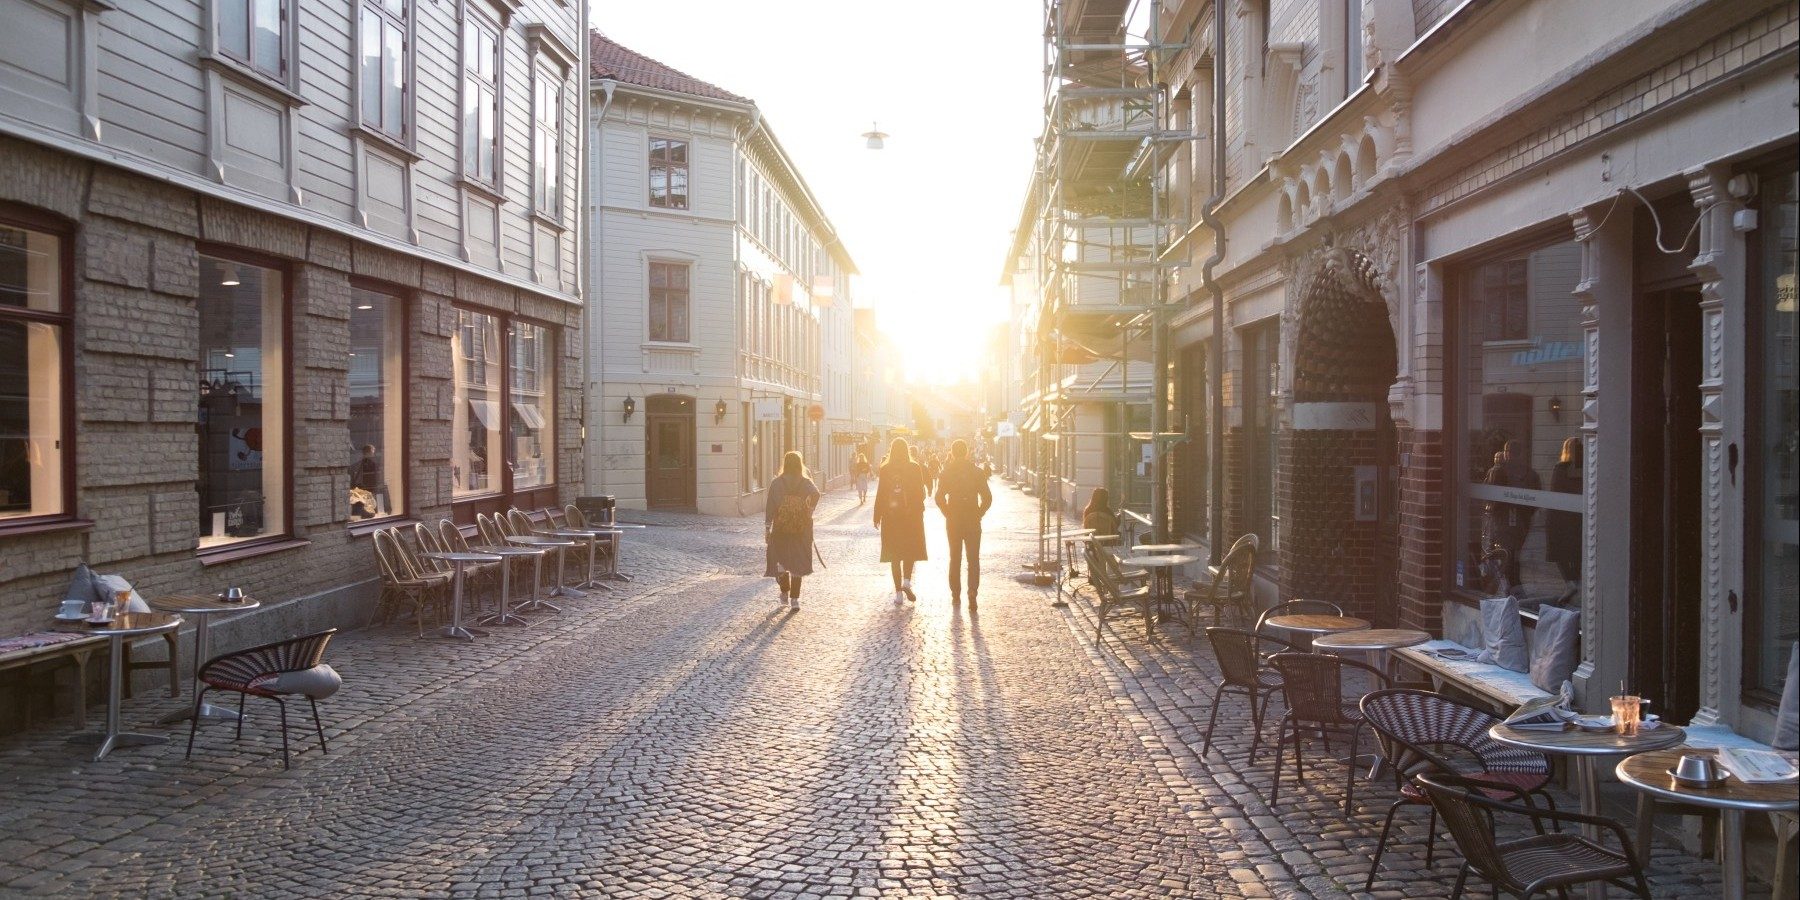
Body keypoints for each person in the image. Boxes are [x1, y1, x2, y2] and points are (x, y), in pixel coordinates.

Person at [935, 439, 993, 608]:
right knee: (973, 558)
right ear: (967, 452)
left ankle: (955, 594)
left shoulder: (947, 472)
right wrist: (979, 513)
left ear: (952, 453)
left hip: (954, 520)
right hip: (972, 520)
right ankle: (972, 592)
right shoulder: (976, 472)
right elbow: (988, 498)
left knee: (955, 557)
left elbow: (939, 497)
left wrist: (947, 513)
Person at [873, 437, 928, 603]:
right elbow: (920, 492)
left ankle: (898, 594)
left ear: (892, 450)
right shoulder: (914, 467)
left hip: (891, 517)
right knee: (909, 550)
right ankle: (907, 582)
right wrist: (916, 509)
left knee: (894, 554)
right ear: (906, 451)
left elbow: (881, 493)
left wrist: (877, 515)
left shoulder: (886, 468)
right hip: (910, 517)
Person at [765, 451, 820, 610]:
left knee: (781, 559)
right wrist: (809, 509)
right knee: (797, 561)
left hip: (781, 527)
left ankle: (784, 592)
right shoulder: (805, 482)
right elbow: (816, 494)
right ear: (800, 463)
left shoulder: (777, 483)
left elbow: (770, 506)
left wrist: (767, 527)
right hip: (801, 528)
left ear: (785, 463)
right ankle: (795, 599)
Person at [1484, 438, 1541, 592]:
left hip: (1503, 521)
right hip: (1521, 522)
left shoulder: (1499, 470)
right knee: (1514, 554)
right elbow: (1536, 499)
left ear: (1507, 453)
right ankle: (1514, 584)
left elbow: (1490, 495)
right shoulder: (1530, 473)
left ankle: (1508, 587)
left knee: (1504, 555)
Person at [1545, 436, 1583, 604]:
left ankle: (1570, 582)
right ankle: (1577, 582)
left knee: (1559, 550)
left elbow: (1554, 493)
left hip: (1561, 517)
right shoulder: (1585, 469)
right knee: (1576, 551)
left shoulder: (1560, 468)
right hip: (1578, 517)